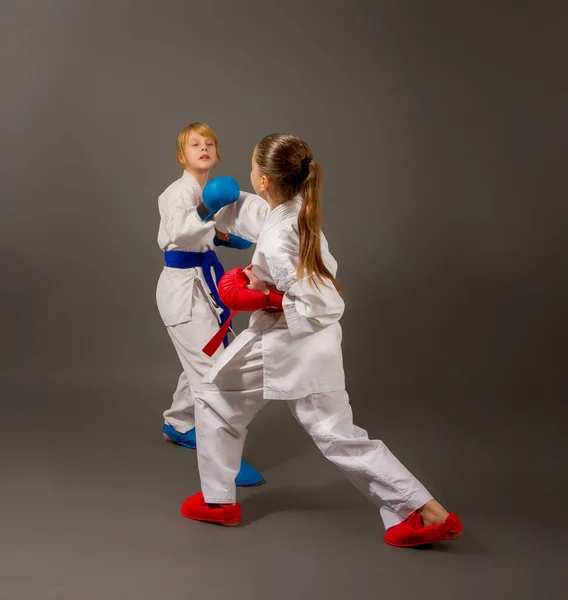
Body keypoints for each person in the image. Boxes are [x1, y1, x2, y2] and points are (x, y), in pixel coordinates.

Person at [179, 133, 464, 547]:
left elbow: (324, 303)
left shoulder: (279, 237)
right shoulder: (292, 210)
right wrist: (210, 210)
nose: (251, 177)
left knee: (335, 435)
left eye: (253, 169)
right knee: (218, 397)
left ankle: (424, 511)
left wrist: (264, 295)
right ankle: (218, 500)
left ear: (264, 179)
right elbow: (253, 211)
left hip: (295, 345)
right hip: (295, 341)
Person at [156, 122, 267, 487]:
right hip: (183, 292)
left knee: (208, 354)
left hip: (202, 284)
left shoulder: (207, 193)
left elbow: (206, 232)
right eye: (194, 144)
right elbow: (175, 234)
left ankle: (177, 422)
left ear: (217, 154)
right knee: (212, 371)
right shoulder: (177, 193)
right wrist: (207, 210)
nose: (203, 148)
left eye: (209, 144)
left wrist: (224, 238)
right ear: (181, 156)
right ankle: (223, 461)